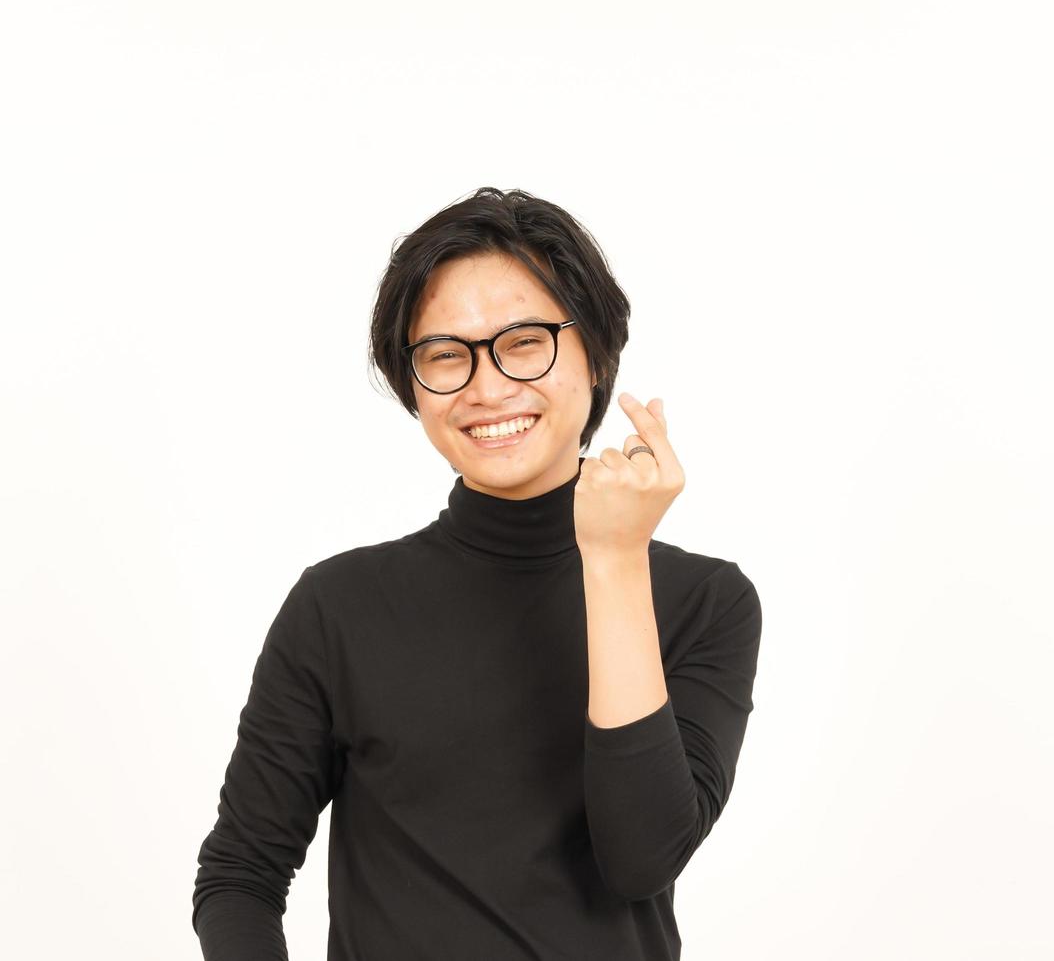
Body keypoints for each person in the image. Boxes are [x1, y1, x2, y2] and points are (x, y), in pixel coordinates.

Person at [191, 187, 763, 960]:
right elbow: (241, 875)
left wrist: (616, 557)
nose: (486, 388)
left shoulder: (705, 603)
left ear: (593, 355)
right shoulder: (339, 607)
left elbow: (640, 858)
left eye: (524, 341)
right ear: (413, 385)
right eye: (444, 356)